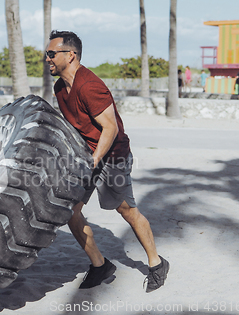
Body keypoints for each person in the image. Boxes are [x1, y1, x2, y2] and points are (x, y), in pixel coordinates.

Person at [45, 30, 169, 293]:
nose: (47, 59)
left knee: (127, 211)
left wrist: (94, 160)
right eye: (47, 54)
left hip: (112, 158)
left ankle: (157, 263)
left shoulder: (90, 85)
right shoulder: (59, 88)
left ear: (71, 54)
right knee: (71, 211)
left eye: (52, 53)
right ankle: (100, 265)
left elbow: (110, 128)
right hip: (87, 157)